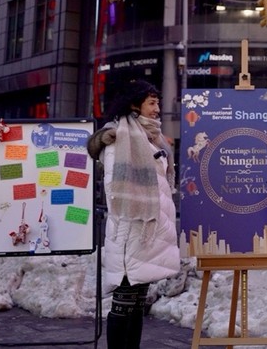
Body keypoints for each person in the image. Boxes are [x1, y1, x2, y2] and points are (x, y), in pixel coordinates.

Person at [86, 81, 179, 349]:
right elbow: (118, 193)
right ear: (134, 105)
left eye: (157, 102)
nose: (157, 109)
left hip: (146, 234)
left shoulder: (150, 138)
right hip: (131, 233)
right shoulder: (120, 139)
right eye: (151, 103)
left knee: (137, 301)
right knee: (125, 302)